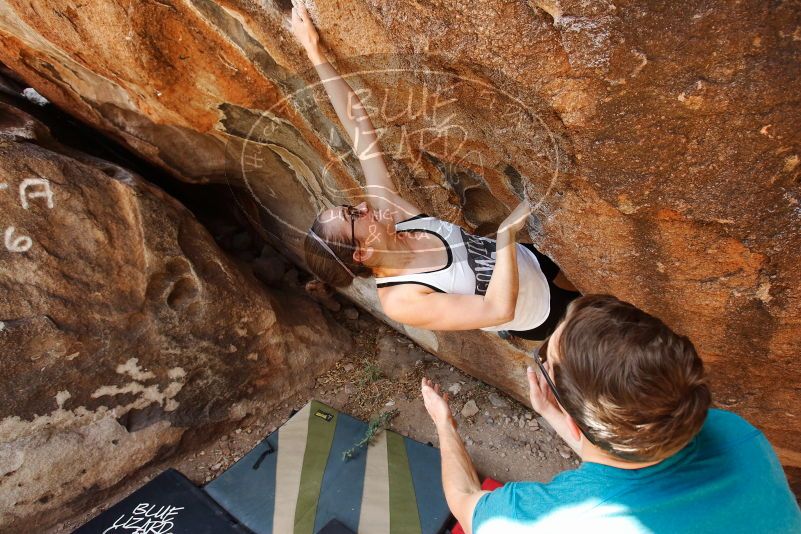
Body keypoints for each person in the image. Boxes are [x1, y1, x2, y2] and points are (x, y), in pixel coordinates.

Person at [290, 3, 579, 336]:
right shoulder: (402, 299)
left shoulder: (391, 216)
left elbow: (359, 129)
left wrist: (314, 52)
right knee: (607, 324)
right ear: (363, 251)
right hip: (540, 313)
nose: (363, 206)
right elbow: (498, 309)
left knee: (599, 286)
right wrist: (504, 236)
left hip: (529, 259)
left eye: (350, 207)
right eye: (354, 216)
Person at [421, 294, 801, 533]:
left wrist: (443, 422)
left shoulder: (547, 521)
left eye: (546, 363)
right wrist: (559, 416)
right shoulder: (736, 433)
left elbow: (464, 498)